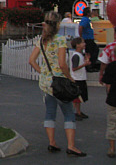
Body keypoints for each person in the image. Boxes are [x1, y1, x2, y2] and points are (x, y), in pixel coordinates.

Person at [29, 11, 86, 156]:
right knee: (68, 113)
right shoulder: (60, 39)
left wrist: (43, 72)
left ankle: (52, 142)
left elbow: (31, 60)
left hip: (46, 83)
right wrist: (70, 78)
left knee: (50, 112)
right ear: (58, 24)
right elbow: (62, 64)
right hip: (60, 82)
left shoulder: (41, 40)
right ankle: (71, 146)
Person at [101, 44, 116, 158]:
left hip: (114, 97)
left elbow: (107, 83)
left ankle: (112, 148)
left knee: (112, 123)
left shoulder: (111, 66)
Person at [69, 37, 90, 120]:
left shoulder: (79, 55)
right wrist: (85, 64)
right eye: (82, 42)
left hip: (80, 78)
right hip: (77, 79)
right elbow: (74, 68)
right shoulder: (76, 56)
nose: (84, 44)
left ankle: (78, 112)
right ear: (77, 45)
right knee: (76, 97)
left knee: (79, 97)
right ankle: (72, 113)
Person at [79, 8, 98, 72]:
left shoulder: (87, 20)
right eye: (90, 12)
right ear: (87, 13)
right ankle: (89, 66)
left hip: (89, 38)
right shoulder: (85, 20)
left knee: (92, 51)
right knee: (91, 52)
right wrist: (81, 37)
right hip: (87, 38)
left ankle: (91, 65)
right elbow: (81, 27)